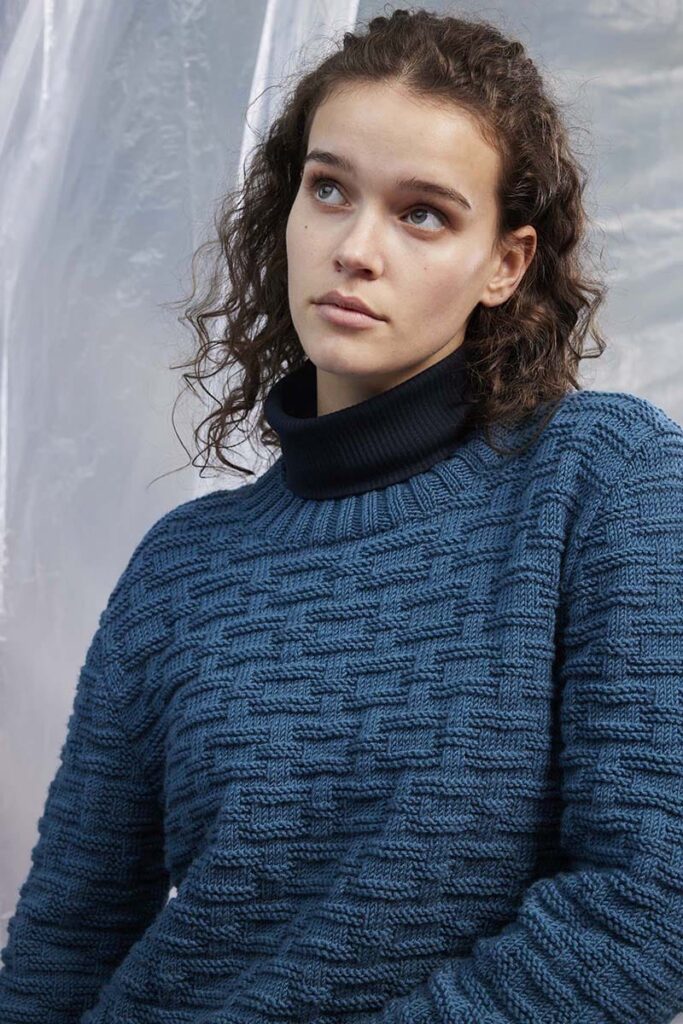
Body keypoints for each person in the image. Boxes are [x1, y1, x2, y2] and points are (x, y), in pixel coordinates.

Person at [2, 7, 683, 1023]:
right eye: (329, 189)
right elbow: (64, 942)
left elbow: (647, 909)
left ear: (504, 263)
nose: (355, 248)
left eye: (423, 214)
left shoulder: (599, 479)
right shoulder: (180, 567)